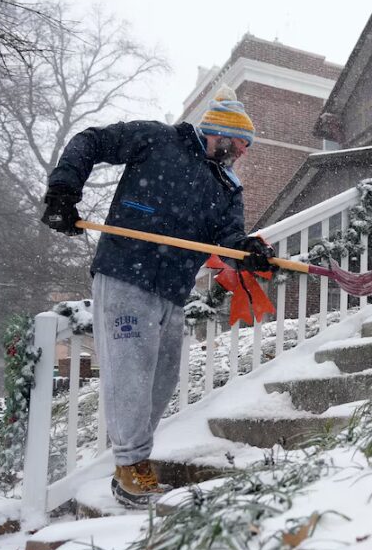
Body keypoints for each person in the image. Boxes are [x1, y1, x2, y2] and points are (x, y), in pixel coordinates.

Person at [41, 86, 276, 508]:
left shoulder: (227, 187)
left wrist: (249, 252)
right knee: (130, 371)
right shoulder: (158, 139)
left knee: (162, 378)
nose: (242, 154)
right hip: (125, 273)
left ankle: (130, 462)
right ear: (220, 133)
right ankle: (132, 468)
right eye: (241, 145)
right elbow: (90, 141)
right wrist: (64, 188)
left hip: (172, 290)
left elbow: (229, 240)